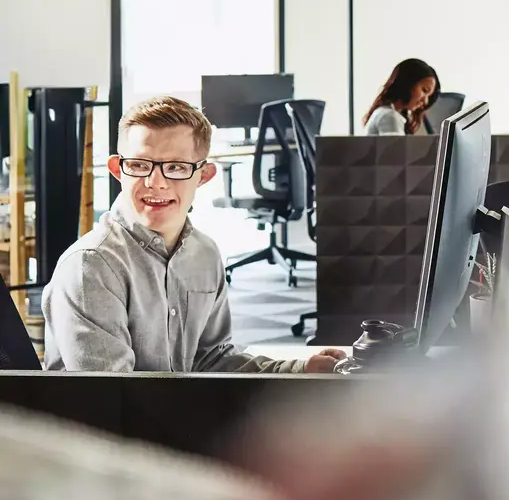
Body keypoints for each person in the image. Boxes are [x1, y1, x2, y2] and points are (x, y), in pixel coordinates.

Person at [43, 96, 345, 374]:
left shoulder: (204, 254)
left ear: (203, 175)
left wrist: (299, 370)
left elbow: (212, 360)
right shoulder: (91, 266)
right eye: (139, 165)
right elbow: (112, 398)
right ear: (118, 169)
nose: (155, 182)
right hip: (115, 417)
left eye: (176, 167)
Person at [362, 59, 439, 135]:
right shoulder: (390, 116)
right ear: (409, 83)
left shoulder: (384, 112)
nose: (426, 101)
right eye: (424, 90)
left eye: (429, 96)